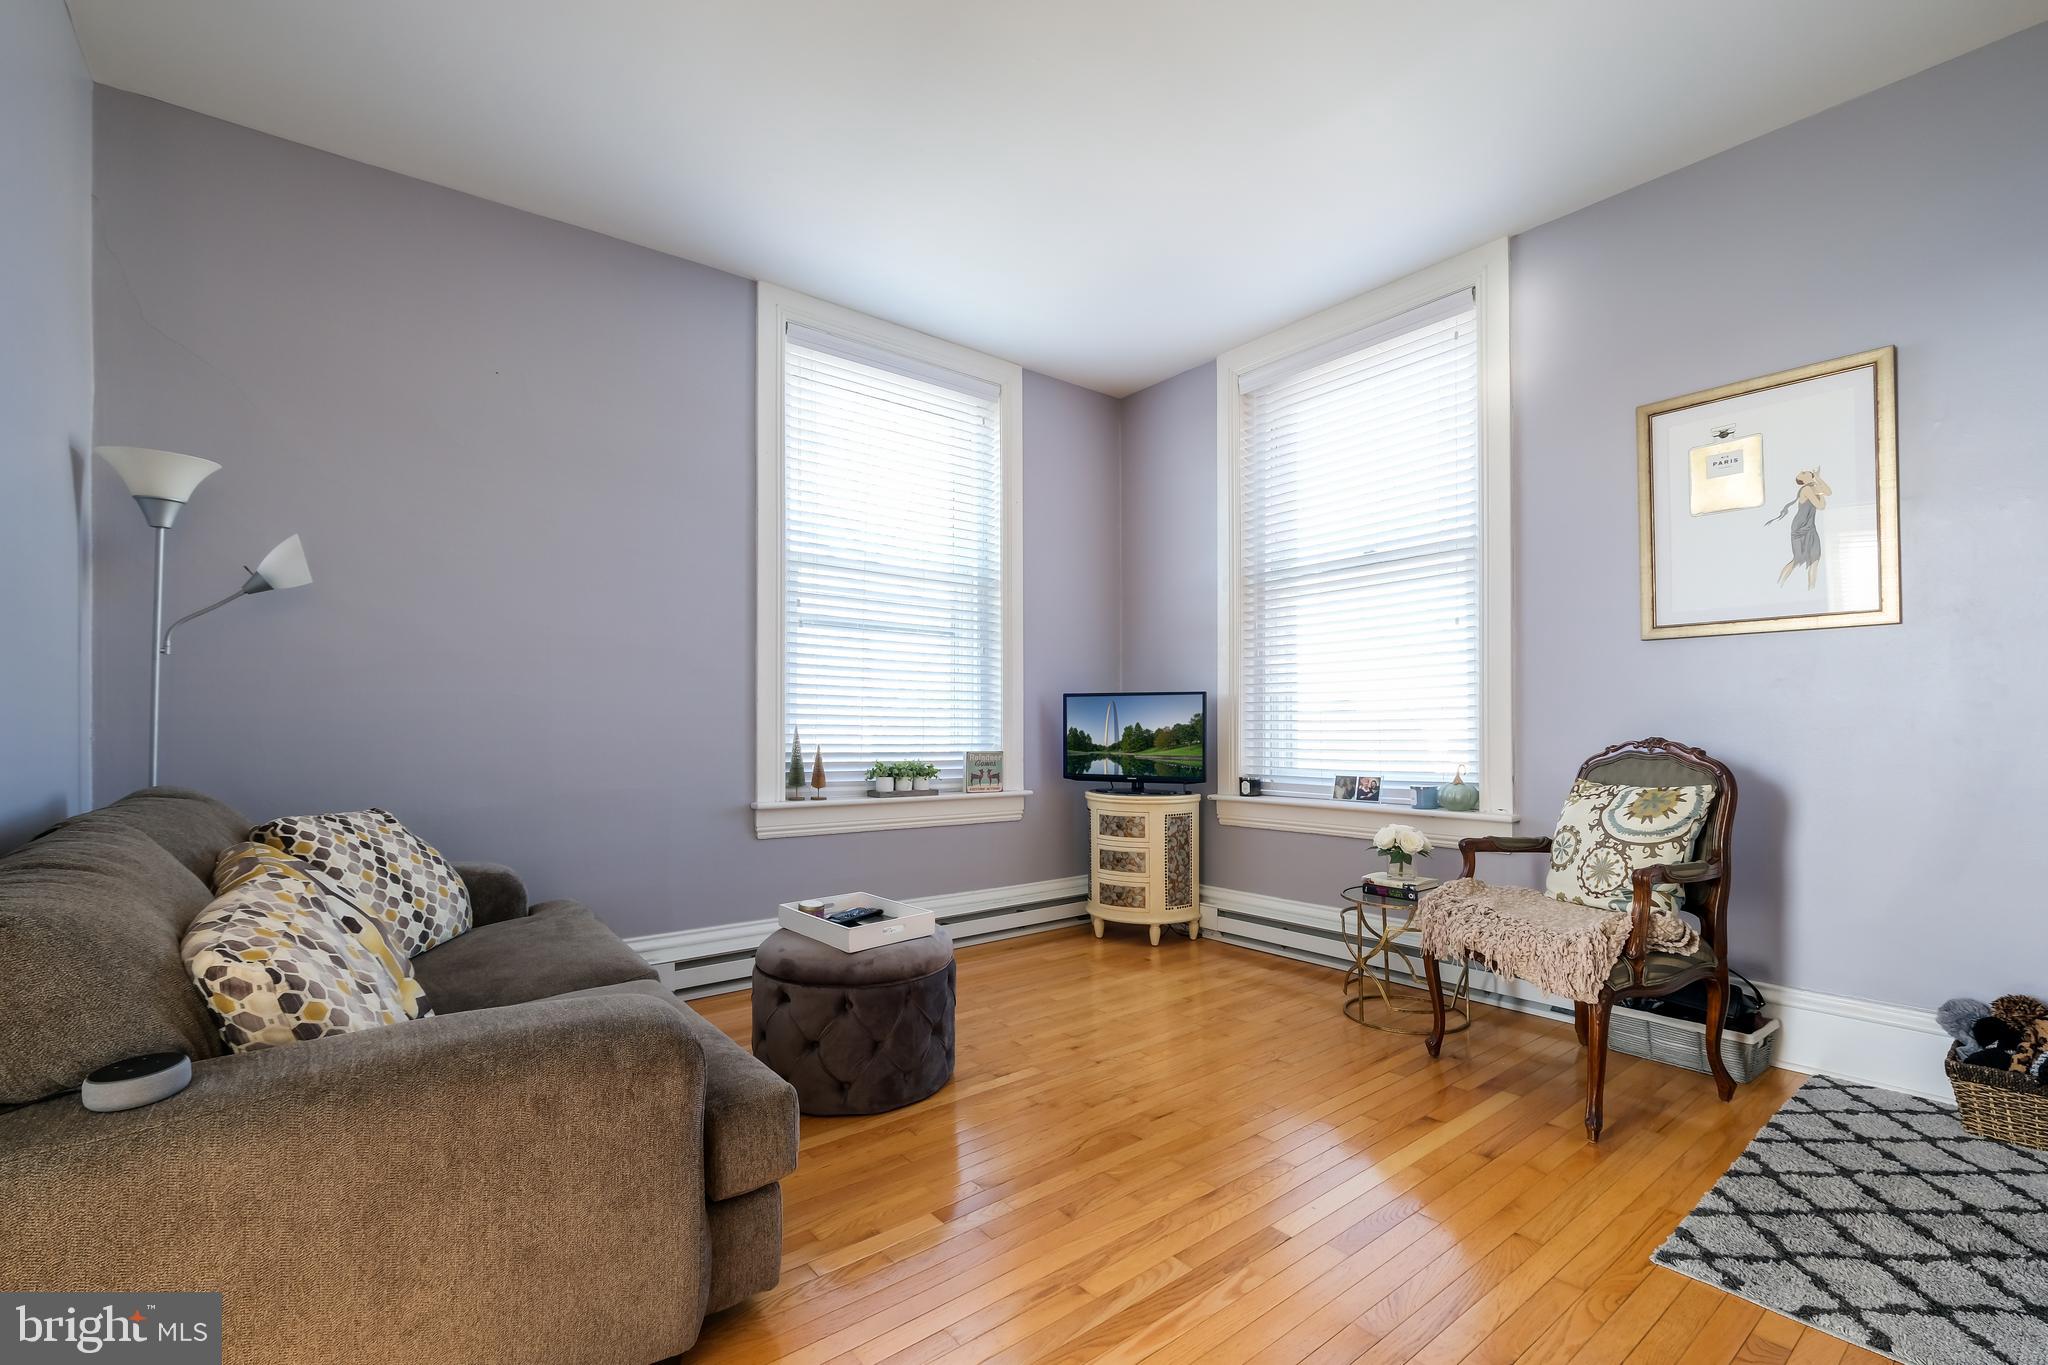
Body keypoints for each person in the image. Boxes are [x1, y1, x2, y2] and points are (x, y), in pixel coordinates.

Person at [1764, 468, 1830, 589]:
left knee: (1815, 559)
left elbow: (1828, 492)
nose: (1805, 471)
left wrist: (1818, 478)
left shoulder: (1813, 487)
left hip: (1810, 526)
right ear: (1802, 480)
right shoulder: (1806, 489)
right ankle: (1779, 585)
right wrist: (1819, 489)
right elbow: (1821, 505)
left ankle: (1811, 589)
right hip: (1800, 527)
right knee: (1797, 560)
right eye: (1803, 473)